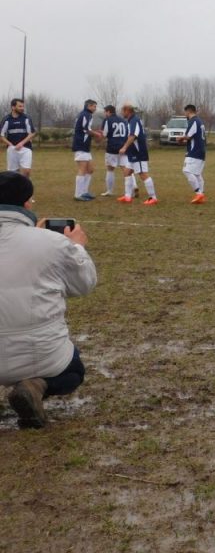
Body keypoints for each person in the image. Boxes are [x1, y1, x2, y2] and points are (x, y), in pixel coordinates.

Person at [0, 171, 96, 429]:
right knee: (73, 372)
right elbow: (83, 285)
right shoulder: (53, 242)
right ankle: (35, 386)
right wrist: (76, 248)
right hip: (42, 356)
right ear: (27, 204)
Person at [117, 103, 158, 205]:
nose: (122, 113)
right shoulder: (131, 121)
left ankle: (153, 197)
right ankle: (127, 196)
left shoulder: (134, 120)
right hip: (133, 153)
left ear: (127, 111)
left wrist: (124, 147)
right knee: (127, 172)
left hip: (138, 153)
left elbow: (132, 136)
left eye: (123, 110)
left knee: (142, 174)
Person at [71, 99, 102, 201]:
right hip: (81, 145)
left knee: (90, 169)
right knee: (82, 169)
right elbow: (85, 130)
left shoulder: (86, 115)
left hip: (85, 146)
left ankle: (84, 191)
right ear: (88, 106)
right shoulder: (86, 114)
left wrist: (95, 132)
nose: (95, 108)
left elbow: (85, 129)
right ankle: (78, 194)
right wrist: (97, 134)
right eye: (94, 106)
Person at [177, 104, 207, 204]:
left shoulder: (193, 121)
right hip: (201, 151)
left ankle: (199, 193)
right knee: (197, 174)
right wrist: (185, 140)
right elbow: (195, 138)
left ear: (189, 112)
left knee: (186, 171)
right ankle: (201, 194)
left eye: (185, 112)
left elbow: (188, 136)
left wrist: (180, 138)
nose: (185, 114)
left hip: (194, 152)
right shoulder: (200, 122)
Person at [1, 99, 37, 177]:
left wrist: (21, 143)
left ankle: (25, 187)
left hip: (26, 148)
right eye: (20, 106)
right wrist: (9, 144)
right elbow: (1, 135)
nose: (22, 108)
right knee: (13, 173)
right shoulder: (6, 119)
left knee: (27, 171)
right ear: (13, 107)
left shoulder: (26, 118)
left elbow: (32, 133)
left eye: (23, 106)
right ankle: (15, 188)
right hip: (12, 149)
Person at [100, 105, 129, 197]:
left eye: (105, 112)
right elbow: (128, 133)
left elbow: (104, 134)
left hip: (112, 148)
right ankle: (131, 189)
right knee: (126, 168)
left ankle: (109, 190)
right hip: (123, 147)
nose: (104, 114)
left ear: (108, 112)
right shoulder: (124, 120)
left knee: (110, 169)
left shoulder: (107, 120)